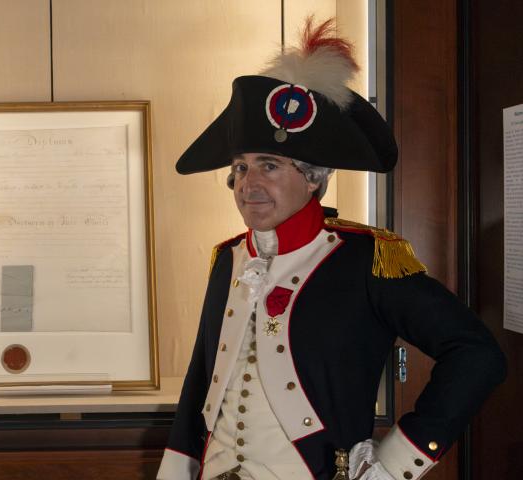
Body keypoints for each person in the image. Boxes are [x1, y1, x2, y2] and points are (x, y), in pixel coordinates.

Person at [156, 18, 506, 480]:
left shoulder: (368, 259)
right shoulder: (229, 259)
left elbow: (477, 354)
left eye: (269, 165)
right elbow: (203, 382)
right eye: (239, 169)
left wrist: (395, 463)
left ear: (313, 177)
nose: (248, 184)